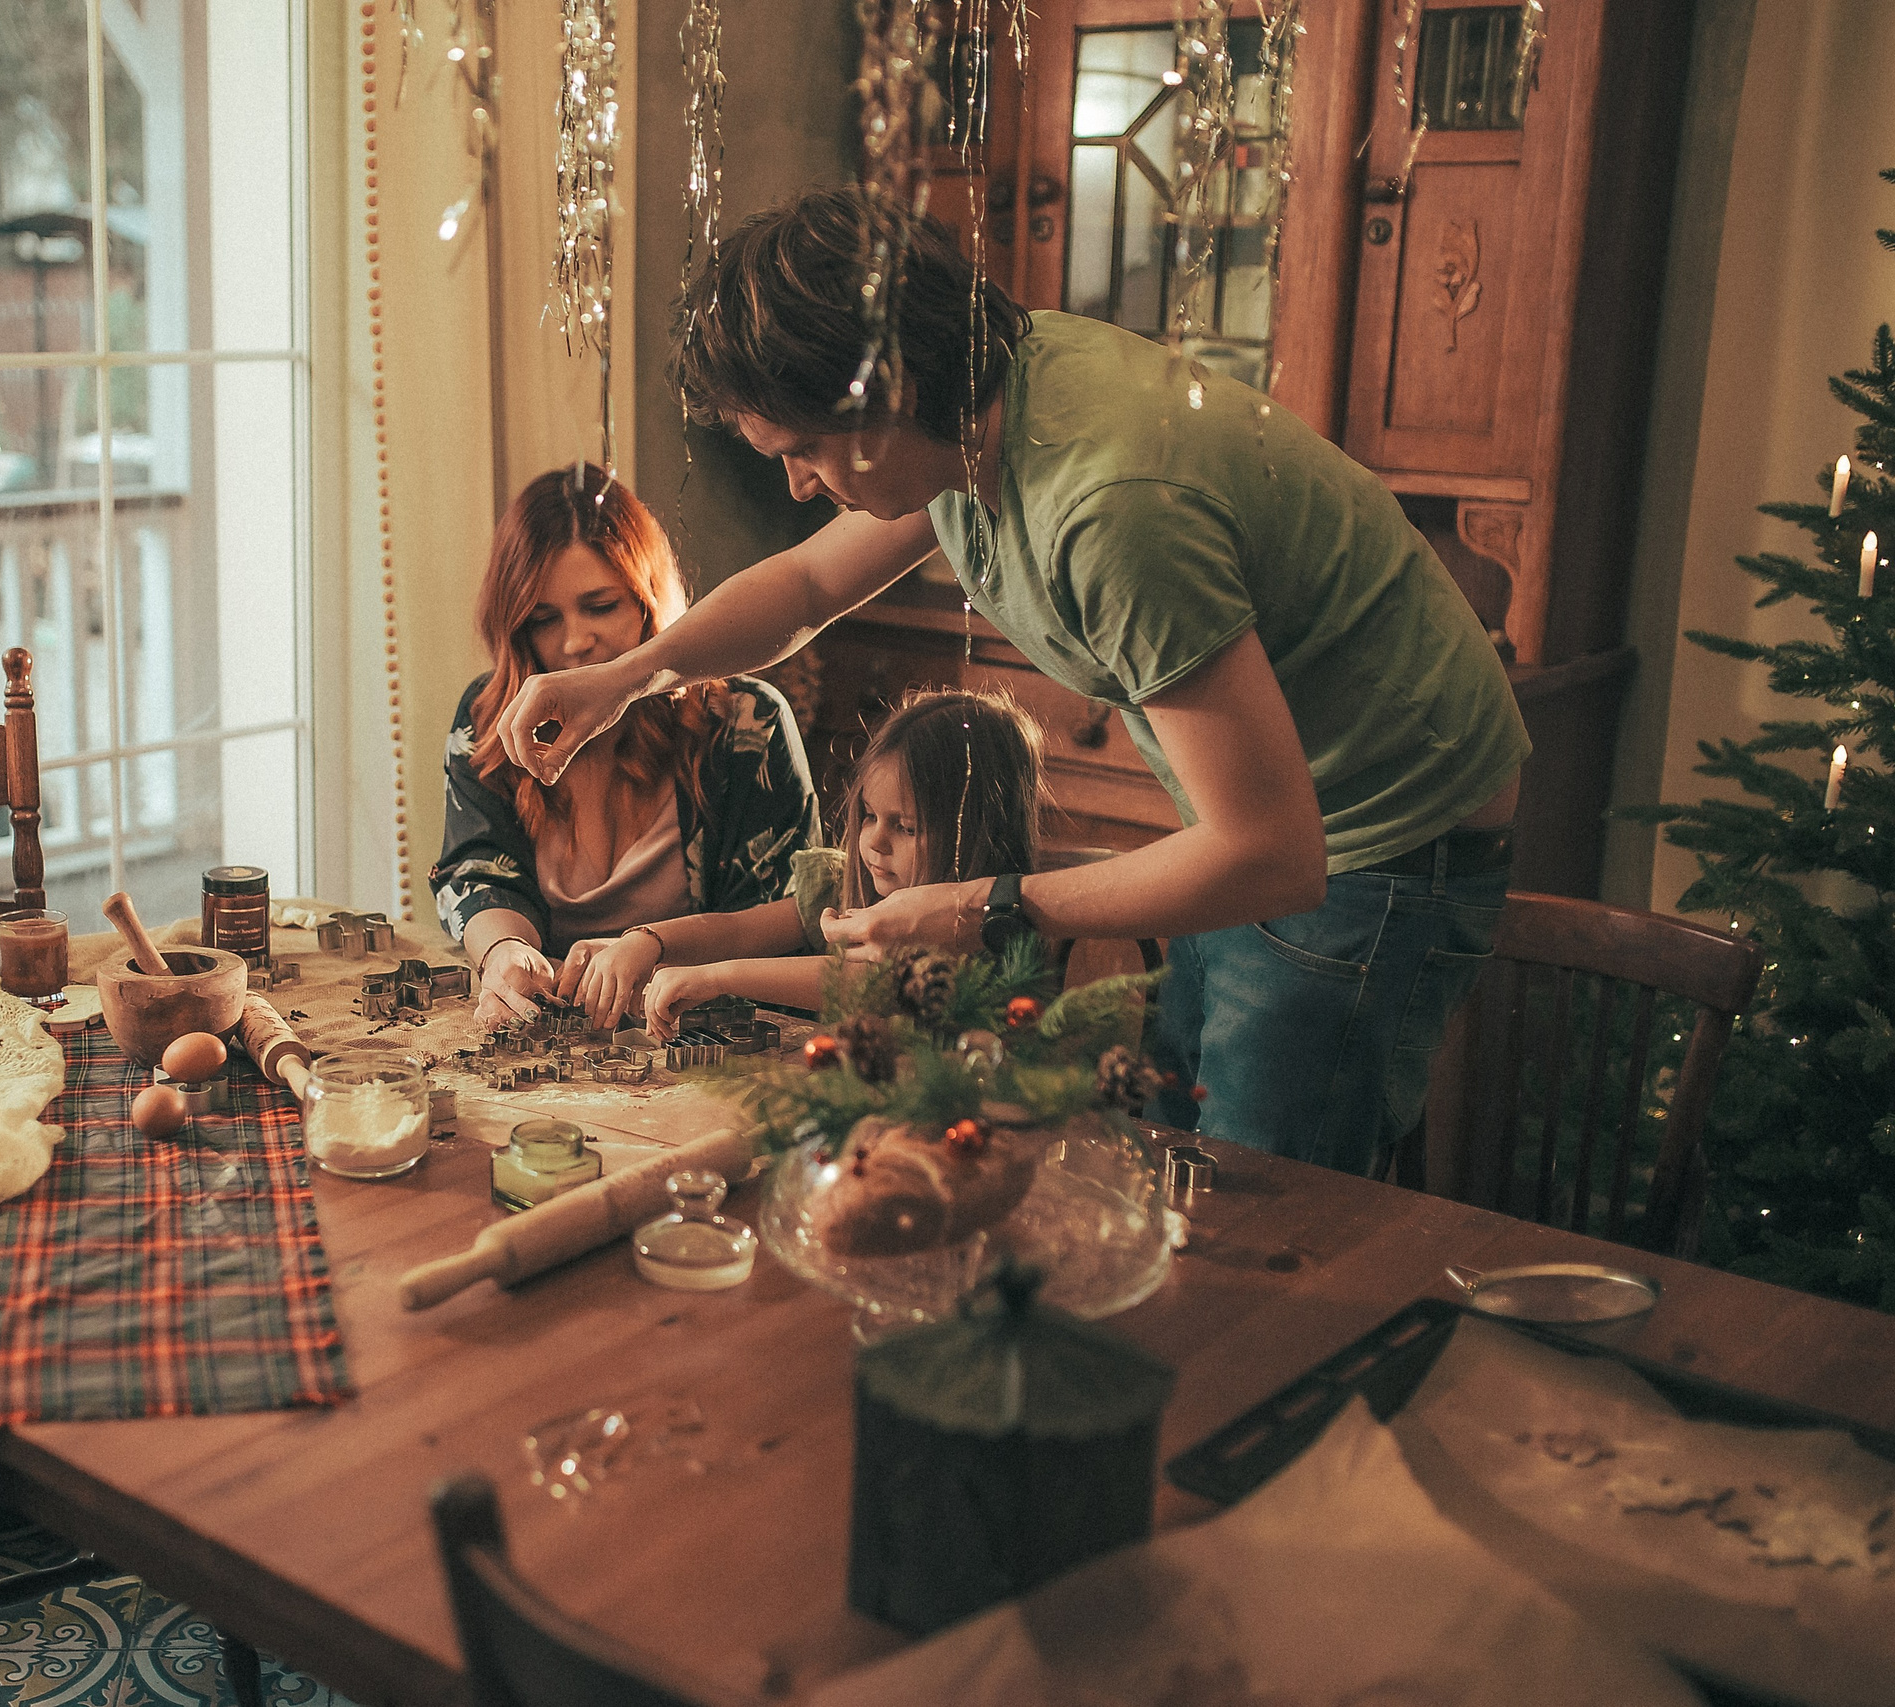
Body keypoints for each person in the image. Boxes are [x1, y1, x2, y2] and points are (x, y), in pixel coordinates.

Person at [493, 188, 1530, 1177]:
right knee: (1173, 1155)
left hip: (1385, 835)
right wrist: (624, 679)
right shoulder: (974, 405)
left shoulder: (1111, 506)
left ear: (882, 397)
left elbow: (1270, 854)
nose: (796, 485)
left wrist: (992, 904)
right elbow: (806, 583)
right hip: (1278, 825)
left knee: (1257, 1205)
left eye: (803, 453)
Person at [430, 463, 820, 1027]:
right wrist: (501, 953)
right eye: (543, 619)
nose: (575, 641)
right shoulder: (490, 716)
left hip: (707, 1039)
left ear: (647, 600)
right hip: (559, 1042)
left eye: (601, 606)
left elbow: (792, 922)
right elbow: (476, 871)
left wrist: (651, 949)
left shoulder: (744, 724)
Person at [559, 690, 1048, 1038]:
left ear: (978, 832)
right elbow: (737, 930)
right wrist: (647, 942)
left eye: (907, 827)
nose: (874, 841)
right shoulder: (842, 886)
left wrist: (718, 978)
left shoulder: (979, 929)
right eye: (871, 816)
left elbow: (868, 984)